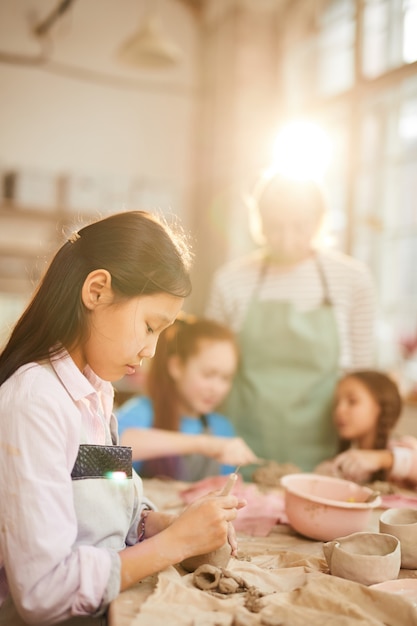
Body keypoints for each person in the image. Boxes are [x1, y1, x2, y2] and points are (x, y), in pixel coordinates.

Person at [0, 211, 245, 626]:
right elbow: (44, 592)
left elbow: (113, 505)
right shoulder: (34, 403)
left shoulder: (95, 393)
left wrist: (169, 523)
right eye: (150, 326)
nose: (151, 350)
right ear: (96, 291)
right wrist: (175, 545)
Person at [205, 172, 376, 473]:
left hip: (322, 449)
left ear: (320, 221)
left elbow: (362, 379)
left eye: (299, 227)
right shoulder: (231, 280)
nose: (286, 240)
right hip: (241, 444)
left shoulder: (352, 279)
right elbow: (207, 366)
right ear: (258, 223)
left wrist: (366, 454)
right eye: (274, 227)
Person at [117, 315, 258, 481]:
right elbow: (113, 447)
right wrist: (205, 444)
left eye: (225, 378)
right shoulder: (143, 412)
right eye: (208, 374)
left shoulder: (222, 428)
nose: (216, 388)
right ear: (176, 367)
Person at [315, 369, 417, 486]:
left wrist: (383, 459)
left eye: (352, 401)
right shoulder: (345, 462)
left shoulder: (403, 449)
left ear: (380, 407)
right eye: (336, 403)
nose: (339, 410)